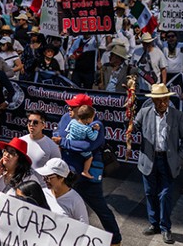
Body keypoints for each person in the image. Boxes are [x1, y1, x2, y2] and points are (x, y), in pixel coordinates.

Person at [53, 94, 122, 246]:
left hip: (87, 177)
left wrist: (63, 142)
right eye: (70, 106)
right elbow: (56, 133)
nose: (69, 108)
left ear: (85, 109)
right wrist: (59, 139)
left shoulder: (96, 124)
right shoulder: (66, 117)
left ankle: (116, 240)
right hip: (67, 174)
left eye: (73, 106)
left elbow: (87, 146)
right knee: (62, 207)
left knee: (100, 209)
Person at [133, 83, 183, 244]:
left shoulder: (177, 115)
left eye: (165, 100)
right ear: (153, 101)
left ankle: (165, 228)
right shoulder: (145, 112)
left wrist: (179, 156)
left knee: (165, 195)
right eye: (159, 100)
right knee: (150, 193)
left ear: (168, 99)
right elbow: (133, 127)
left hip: (168, 161)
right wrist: (128, 120)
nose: (163, 103)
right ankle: (153, 223)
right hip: (149, 159)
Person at [0, 137, 39, 209]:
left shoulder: (29, 179)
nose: (6, 154)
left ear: (20, 159)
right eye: (5, 150)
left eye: (12, 152)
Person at [35, 158, 89, 224]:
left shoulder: (76, 201)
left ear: (61, 178)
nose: (44, 180)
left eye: (48, 178)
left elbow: (83, 226)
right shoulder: (42, 193)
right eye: (43, 177)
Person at [65, 105, 101, 179]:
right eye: (92, 118)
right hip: (79, 147)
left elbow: (67, 130)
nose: (93, 120)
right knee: (90, 157)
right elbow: (93, 138)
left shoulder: (73, 121)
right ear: (87, 119)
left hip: (70, 142)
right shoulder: (87, 129)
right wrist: (96, 130)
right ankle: (85, 171)